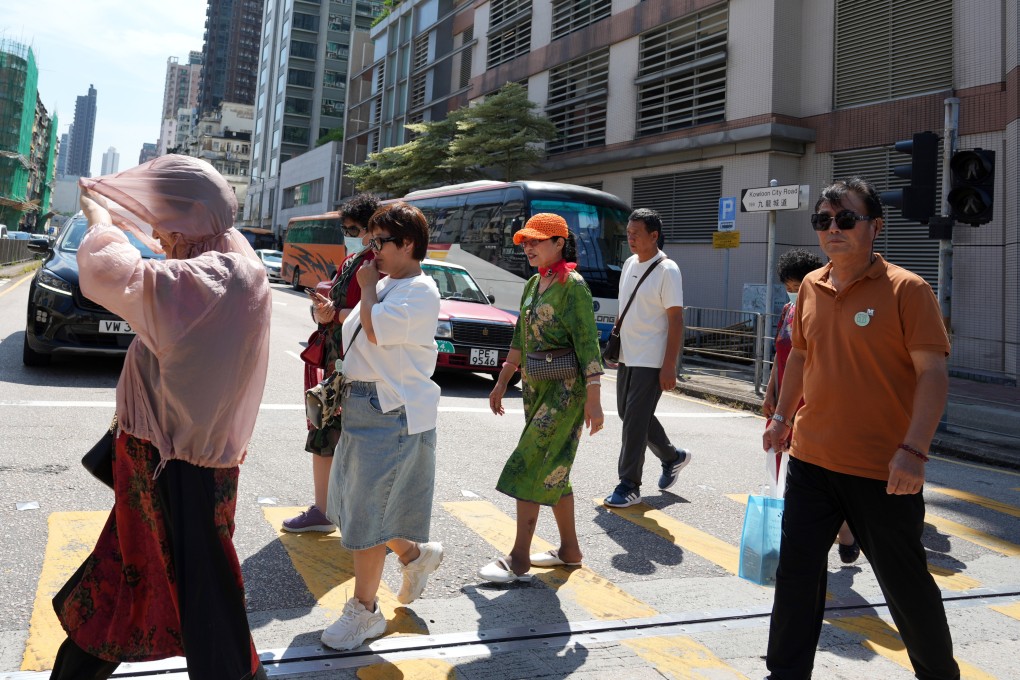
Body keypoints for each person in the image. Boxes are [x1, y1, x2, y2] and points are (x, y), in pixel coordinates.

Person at [51, 155, 271, 680]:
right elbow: (156, 259)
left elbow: (106, 273)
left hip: (173, 470)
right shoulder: (228, 253)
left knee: (195, 595)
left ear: (189, 222)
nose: (161, 236)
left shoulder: (211, 279)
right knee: (146, 582)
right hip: (172, 463)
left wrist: (100, 221)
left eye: (167, 223)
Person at [762, 177, 958, 680]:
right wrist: (782, 418)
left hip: (883, 469)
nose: (834, 229)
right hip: (811, 460)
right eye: (824, 221)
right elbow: (801, 356)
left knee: (906, 586)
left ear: (875, 227)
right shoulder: (811, 285)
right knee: (797, 577)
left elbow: (932, 373)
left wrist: (914, 451)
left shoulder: (907, 290)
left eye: (846, 219)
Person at [319, 202, 444, 651]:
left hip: (389, 408)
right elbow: (361, 332)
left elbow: (375, 332)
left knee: (366, 513)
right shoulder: (389, 283)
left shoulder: (420, 290)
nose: (372, 252)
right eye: (370, 242)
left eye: (380, 243)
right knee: (358, 506)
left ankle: (364, 611)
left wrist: (366, 288)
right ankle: (415, 555)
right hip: (362, 404)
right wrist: (332, 315)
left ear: (408, 244)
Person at [480, 213, 605, 583]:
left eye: (537, 240)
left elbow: (588, 343)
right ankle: (570, 550)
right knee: (554, 469)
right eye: (526, 241)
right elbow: (520, 336)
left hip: (566, 392)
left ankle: (519, 558)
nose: (529, 247)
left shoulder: (573, 286)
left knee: (530, 462)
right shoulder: (534, 283)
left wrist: (594, 400)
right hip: (535, 388)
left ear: (559, 244)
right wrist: (502, 380)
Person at [284, 193, 380, 533]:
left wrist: (333, 313)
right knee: (324, 430)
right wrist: (323, 310)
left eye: (354, 228)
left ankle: (349, 515)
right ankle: (325, 509)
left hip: (357, 362)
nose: (348, 233)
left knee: (348, 438)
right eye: (346, 227)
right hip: (337, 359)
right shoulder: (353, 261)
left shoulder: (378, 265)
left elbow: (376, 317)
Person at [762, 249, 859, 564]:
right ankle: (799, 541)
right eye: (788, 284)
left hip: (814, 403)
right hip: (785, 402)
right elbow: (784, 358)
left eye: (797, 282)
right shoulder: (788, 310)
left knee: (817, 476)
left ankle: (843, 532)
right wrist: (771, 392)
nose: (792, 289)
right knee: (783, 472)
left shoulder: (826, 309)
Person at [603, 208, 689, 508]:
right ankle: (672, 456)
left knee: (634, 423)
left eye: (636, 234)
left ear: (654, 236)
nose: (631, 239)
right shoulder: (628, 263)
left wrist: (669, 365)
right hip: (627, 354)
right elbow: (625, 306)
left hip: (652, 360)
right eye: (628, 233)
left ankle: (629, 484)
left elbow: (676, 320)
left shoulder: (668, 270)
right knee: (629, 416)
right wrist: (614, 344)